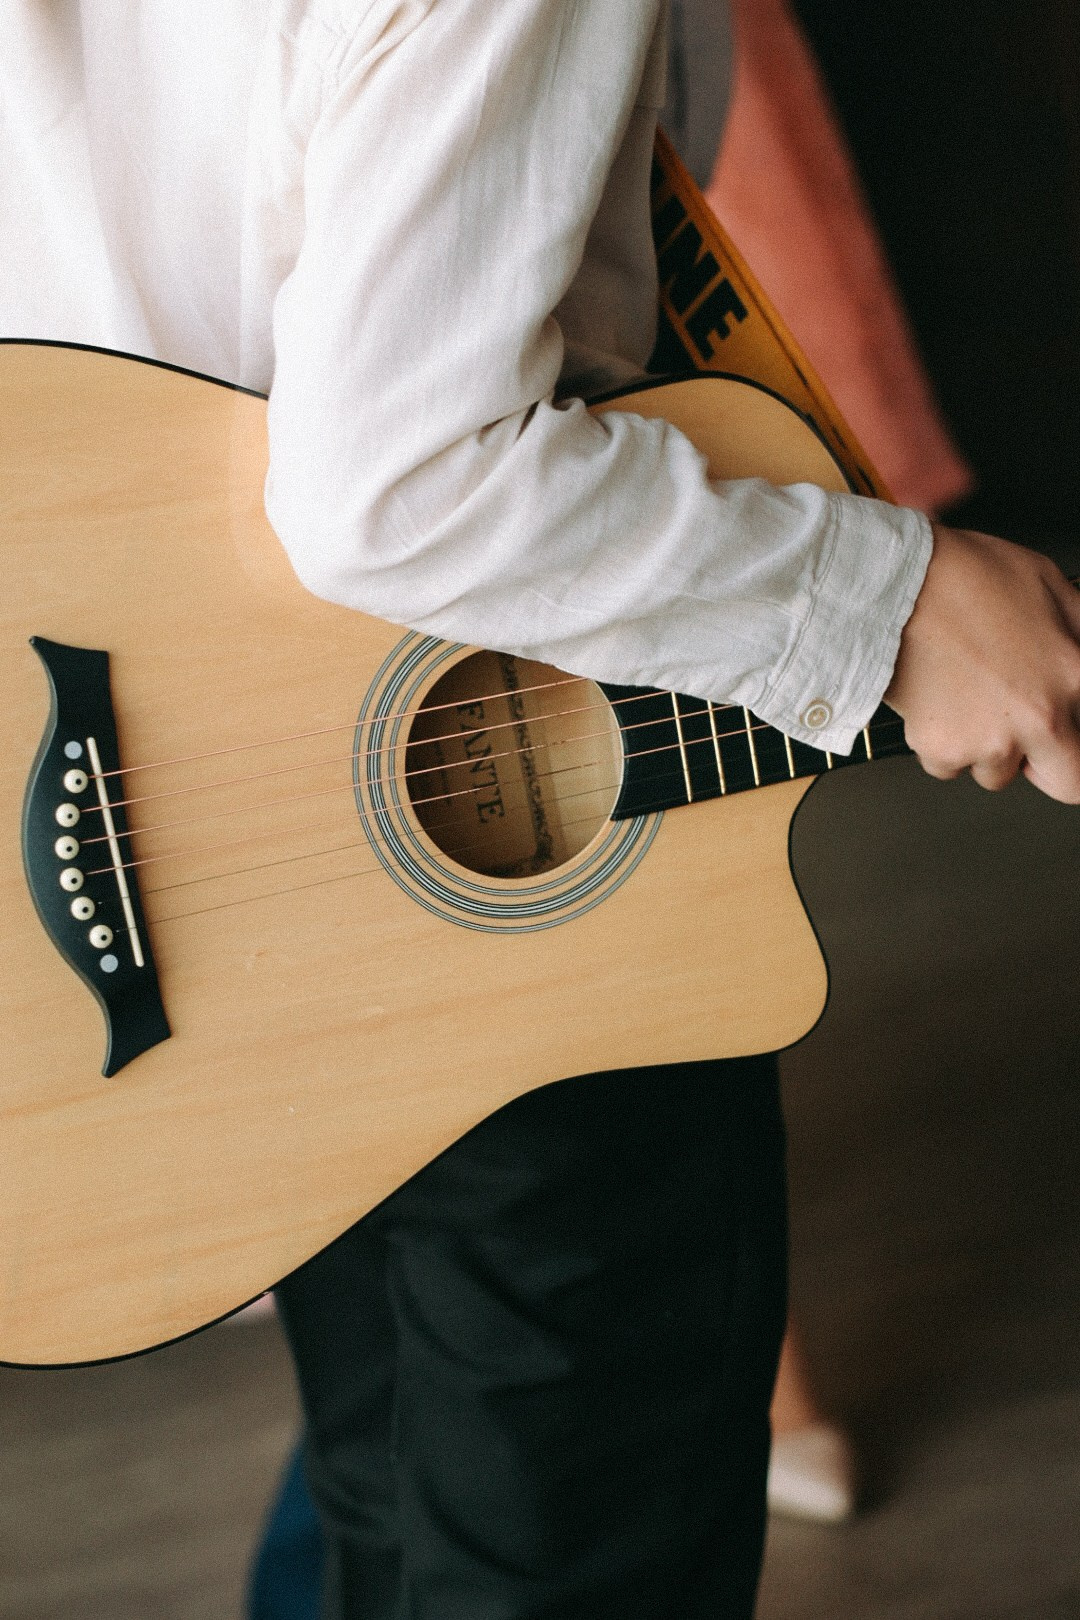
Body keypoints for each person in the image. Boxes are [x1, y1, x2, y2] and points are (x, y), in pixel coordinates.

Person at [4, 4, 1080, 1617]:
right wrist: (901, 608)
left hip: (159, 756)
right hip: (457, 871)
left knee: (386, 1481)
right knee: (561, 1545)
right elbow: (404, 487)